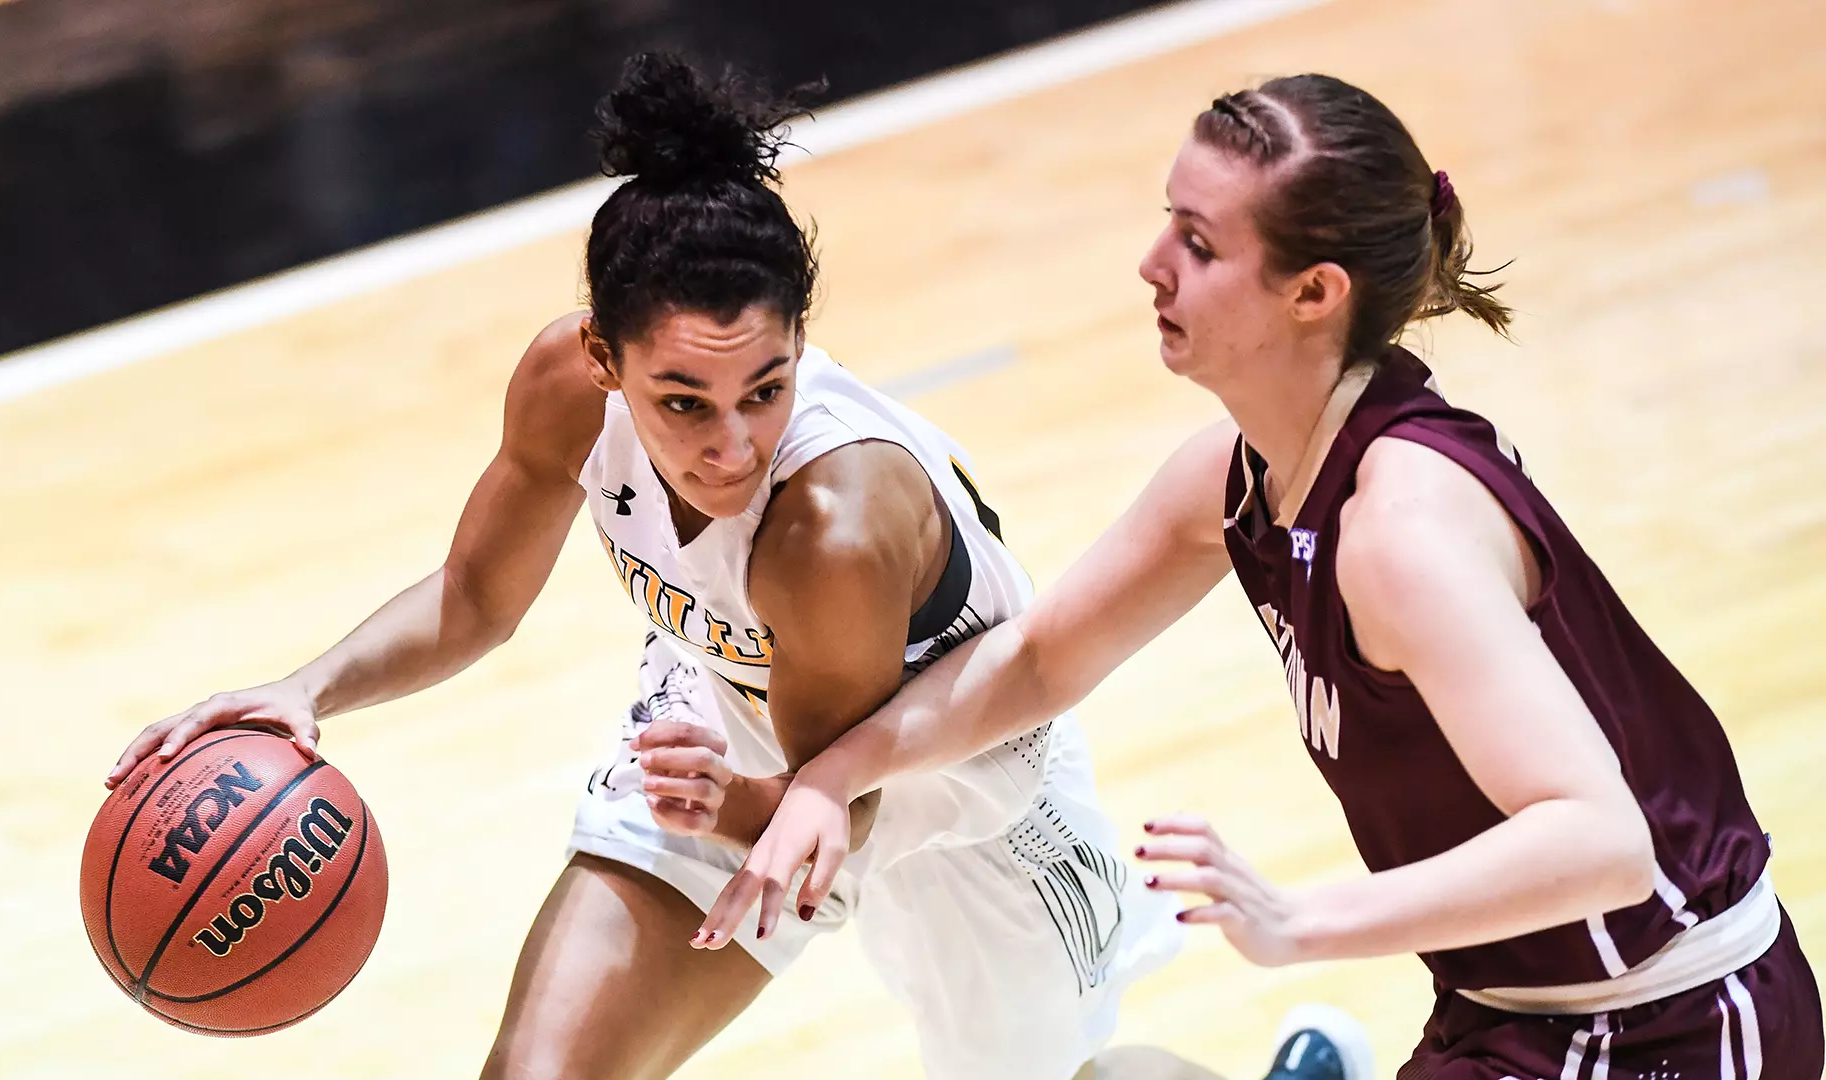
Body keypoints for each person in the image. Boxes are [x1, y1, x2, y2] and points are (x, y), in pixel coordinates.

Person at [102, 53, 1357, 1080]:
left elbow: (838, 800)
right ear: (602, 356)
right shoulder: (561, 386)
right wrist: (308, 691)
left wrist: (734, 801)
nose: (732, 442)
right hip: (733, 737)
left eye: (765, 386)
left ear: (803, 337)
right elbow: (478, 600)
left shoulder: (833, 527)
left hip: (950, 789)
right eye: (683, 402)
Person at [698, 74, 1826, 1079]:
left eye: (1197, 242)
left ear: (1311, 293)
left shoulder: (1401, 533)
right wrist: (827, 780)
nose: (1153, 266)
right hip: (1502, 1011)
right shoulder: (1239, 480)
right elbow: (1041, 659)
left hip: (1668, 1024)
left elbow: (1602, 840)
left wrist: (1302, 920)